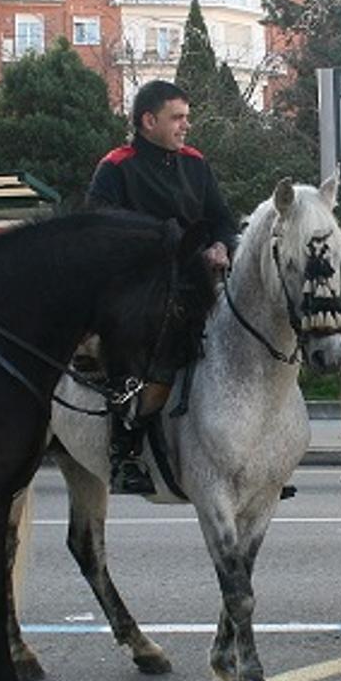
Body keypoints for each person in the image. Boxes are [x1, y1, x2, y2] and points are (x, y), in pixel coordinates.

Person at [88, 79, 236, 495]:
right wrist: (169, 244)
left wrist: (223, 244)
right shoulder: (116, 166)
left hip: (202, 282)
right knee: (156, 345)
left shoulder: (195, 163)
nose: (186, 126)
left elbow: (222, 218)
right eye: (178, 118)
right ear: (148, 121)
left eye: (187, 118)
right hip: (141, 287)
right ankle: (125, 450)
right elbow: (101, 227)